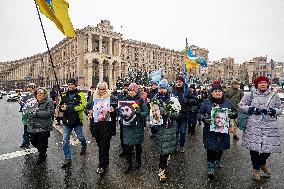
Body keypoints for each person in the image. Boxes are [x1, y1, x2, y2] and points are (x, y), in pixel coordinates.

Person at [239, 76, 282, 181]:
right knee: (254, 148)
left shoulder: (274, 96)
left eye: (264, 82)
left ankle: (262, 163)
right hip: (254, 124)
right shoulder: (250, 95)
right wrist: (252, 109)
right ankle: (256, 169)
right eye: (260, 83)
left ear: (268, 84)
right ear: (256, 84)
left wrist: (273, 111)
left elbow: (280, 109)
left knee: (268, 148)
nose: (263, 84)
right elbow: (241, 105)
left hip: (269, 125)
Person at [198, 82, 238, 180]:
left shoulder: (227, 102)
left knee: (220, 147)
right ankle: (210, 167)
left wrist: (232, 114)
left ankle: (218, 160)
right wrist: (204, 118)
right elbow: (199, 114)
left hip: (223, 131)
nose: (218, 93)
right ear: (211, 93)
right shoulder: (206, 102)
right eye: (215, 91)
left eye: (220, 91)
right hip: (210, 131)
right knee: (210, 148)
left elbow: (235, 112)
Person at [85, 82, 117, 175]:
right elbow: (86, 108)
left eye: (103, 89)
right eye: (100, 89)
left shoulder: (111, 97)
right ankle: (105, 161)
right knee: (101, 145)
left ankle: (102, 165)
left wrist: (113, 110)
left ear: (106, 89)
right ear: (97, 89)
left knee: (104, 145)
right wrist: (89, 112)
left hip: (107, 125)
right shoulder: (93, 97)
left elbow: (117, 109)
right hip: (96, 126)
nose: (101, 91)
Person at [151, 79, 179, 182]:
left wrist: (168, 113)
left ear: (167, 88)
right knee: (163, 150)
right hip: (160, 127)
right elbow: (152, 113)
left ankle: (164, 164)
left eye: (163, 88)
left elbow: (177, 114)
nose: (161, 90)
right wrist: (155, 115)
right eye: (160, 88)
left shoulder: (173, 99)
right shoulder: (155, 98)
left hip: (170, 127)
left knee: (167, 150)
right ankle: (161, 171)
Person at [120, 82, 149, 174]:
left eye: (131, 90)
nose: (129, 92)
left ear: (136, 91)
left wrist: (138, 113)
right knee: (128, 145)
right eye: (129, 90)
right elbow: (120, 111)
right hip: (128, 126)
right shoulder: (125, 100)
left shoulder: (141, 100)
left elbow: (146, 112)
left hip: (137, 126)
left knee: (137, 145)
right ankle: (128, 163)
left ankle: (138, 161)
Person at [59, 78, 87, 168]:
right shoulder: (64, 95)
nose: (70, 86)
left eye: (72, 84)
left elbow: (82, 106)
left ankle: (84, 145)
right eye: (69, 84)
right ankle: (67, 158)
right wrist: (61, 107)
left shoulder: (80, 94)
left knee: (80, 137)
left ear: (75, 85)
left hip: (77, 120)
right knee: (65, 140)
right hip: (67, 120)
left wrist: (69, 108)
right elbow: (60, 106)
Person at [27, 87, 54, 164]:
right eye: (38, 93)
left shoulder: (49, 101)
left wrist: (36, 113)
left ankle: (42, 156)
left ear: (44, 94)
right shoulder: (33, 101)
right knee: (33, 140)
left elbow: (50, 113)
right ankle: (42, 151)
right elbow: (28, 110)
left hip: (44, 126)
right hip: (34, 126)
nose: (39, 94)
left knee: (43, 142)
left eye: (41, 93)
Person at [172, 76, 190, 153]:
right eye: (177, 82)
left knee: (182, 132)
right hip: (175, 115)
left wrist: (188, 101)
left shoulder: (187, 90)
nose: (178, 83)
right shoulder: (172, 90)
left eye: (180, 81)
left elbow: (194, 100)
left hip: (184, 115)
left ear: (183, 82)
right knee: (175, 131)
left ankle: (182, 145)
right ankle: (175, 145)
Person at [19, 83, 37, 148]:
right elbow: (21, 104)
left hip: (33, 114)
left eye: (32, 87)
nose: (30, 89)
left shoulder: (36, 95)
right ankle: (25, 141)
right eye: (29, 87)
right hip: (26, 114)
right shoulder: (24, 95)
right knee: (25, 128)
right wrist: (20, 102)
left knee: (32, 129)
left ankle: (31, 140)